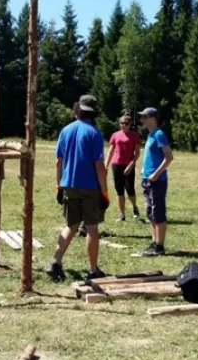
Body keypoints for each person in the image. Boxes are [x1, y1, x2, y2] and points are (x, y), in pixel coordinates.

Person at [47, 95, 109, 281]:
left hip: (69, 185)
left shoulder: (65, 131)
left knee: (71, 225)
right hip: (90, 187)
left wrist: (59, 186)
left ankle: (55, 262)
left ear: (77, 110)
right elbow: (99, 166)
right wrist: (104, 193)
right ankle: (92, 270)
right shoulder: (94, 133)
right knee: (91, 227)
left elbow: (59, 162)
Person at [138, 107, 173, 256]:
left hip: (157, 180)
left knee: (158, 213)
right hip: (146, 179)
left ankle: (160, 246)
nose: (142, 120)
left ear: (152, 118)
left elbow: (169, 157)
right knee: (150, 213)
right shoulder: (150, 135)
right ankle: (154, 242)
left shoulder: (159, 135)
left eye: (144, 117)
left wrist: (156, 174)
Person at [106, 115, 142, 222]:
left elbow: (137, 153)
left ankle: (135, 207)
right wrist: (106, 165)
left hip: (129, 164)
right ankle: (121, 214)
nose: (123, 125)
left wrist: (131, 164)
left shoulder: (135, 135)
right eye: (121, 123)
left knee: (130, 189)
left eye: (126, 124)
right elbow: (111, 151)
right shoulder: (115, 135)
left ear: (130, 125)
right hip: (116, 164)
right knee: (119, 190)